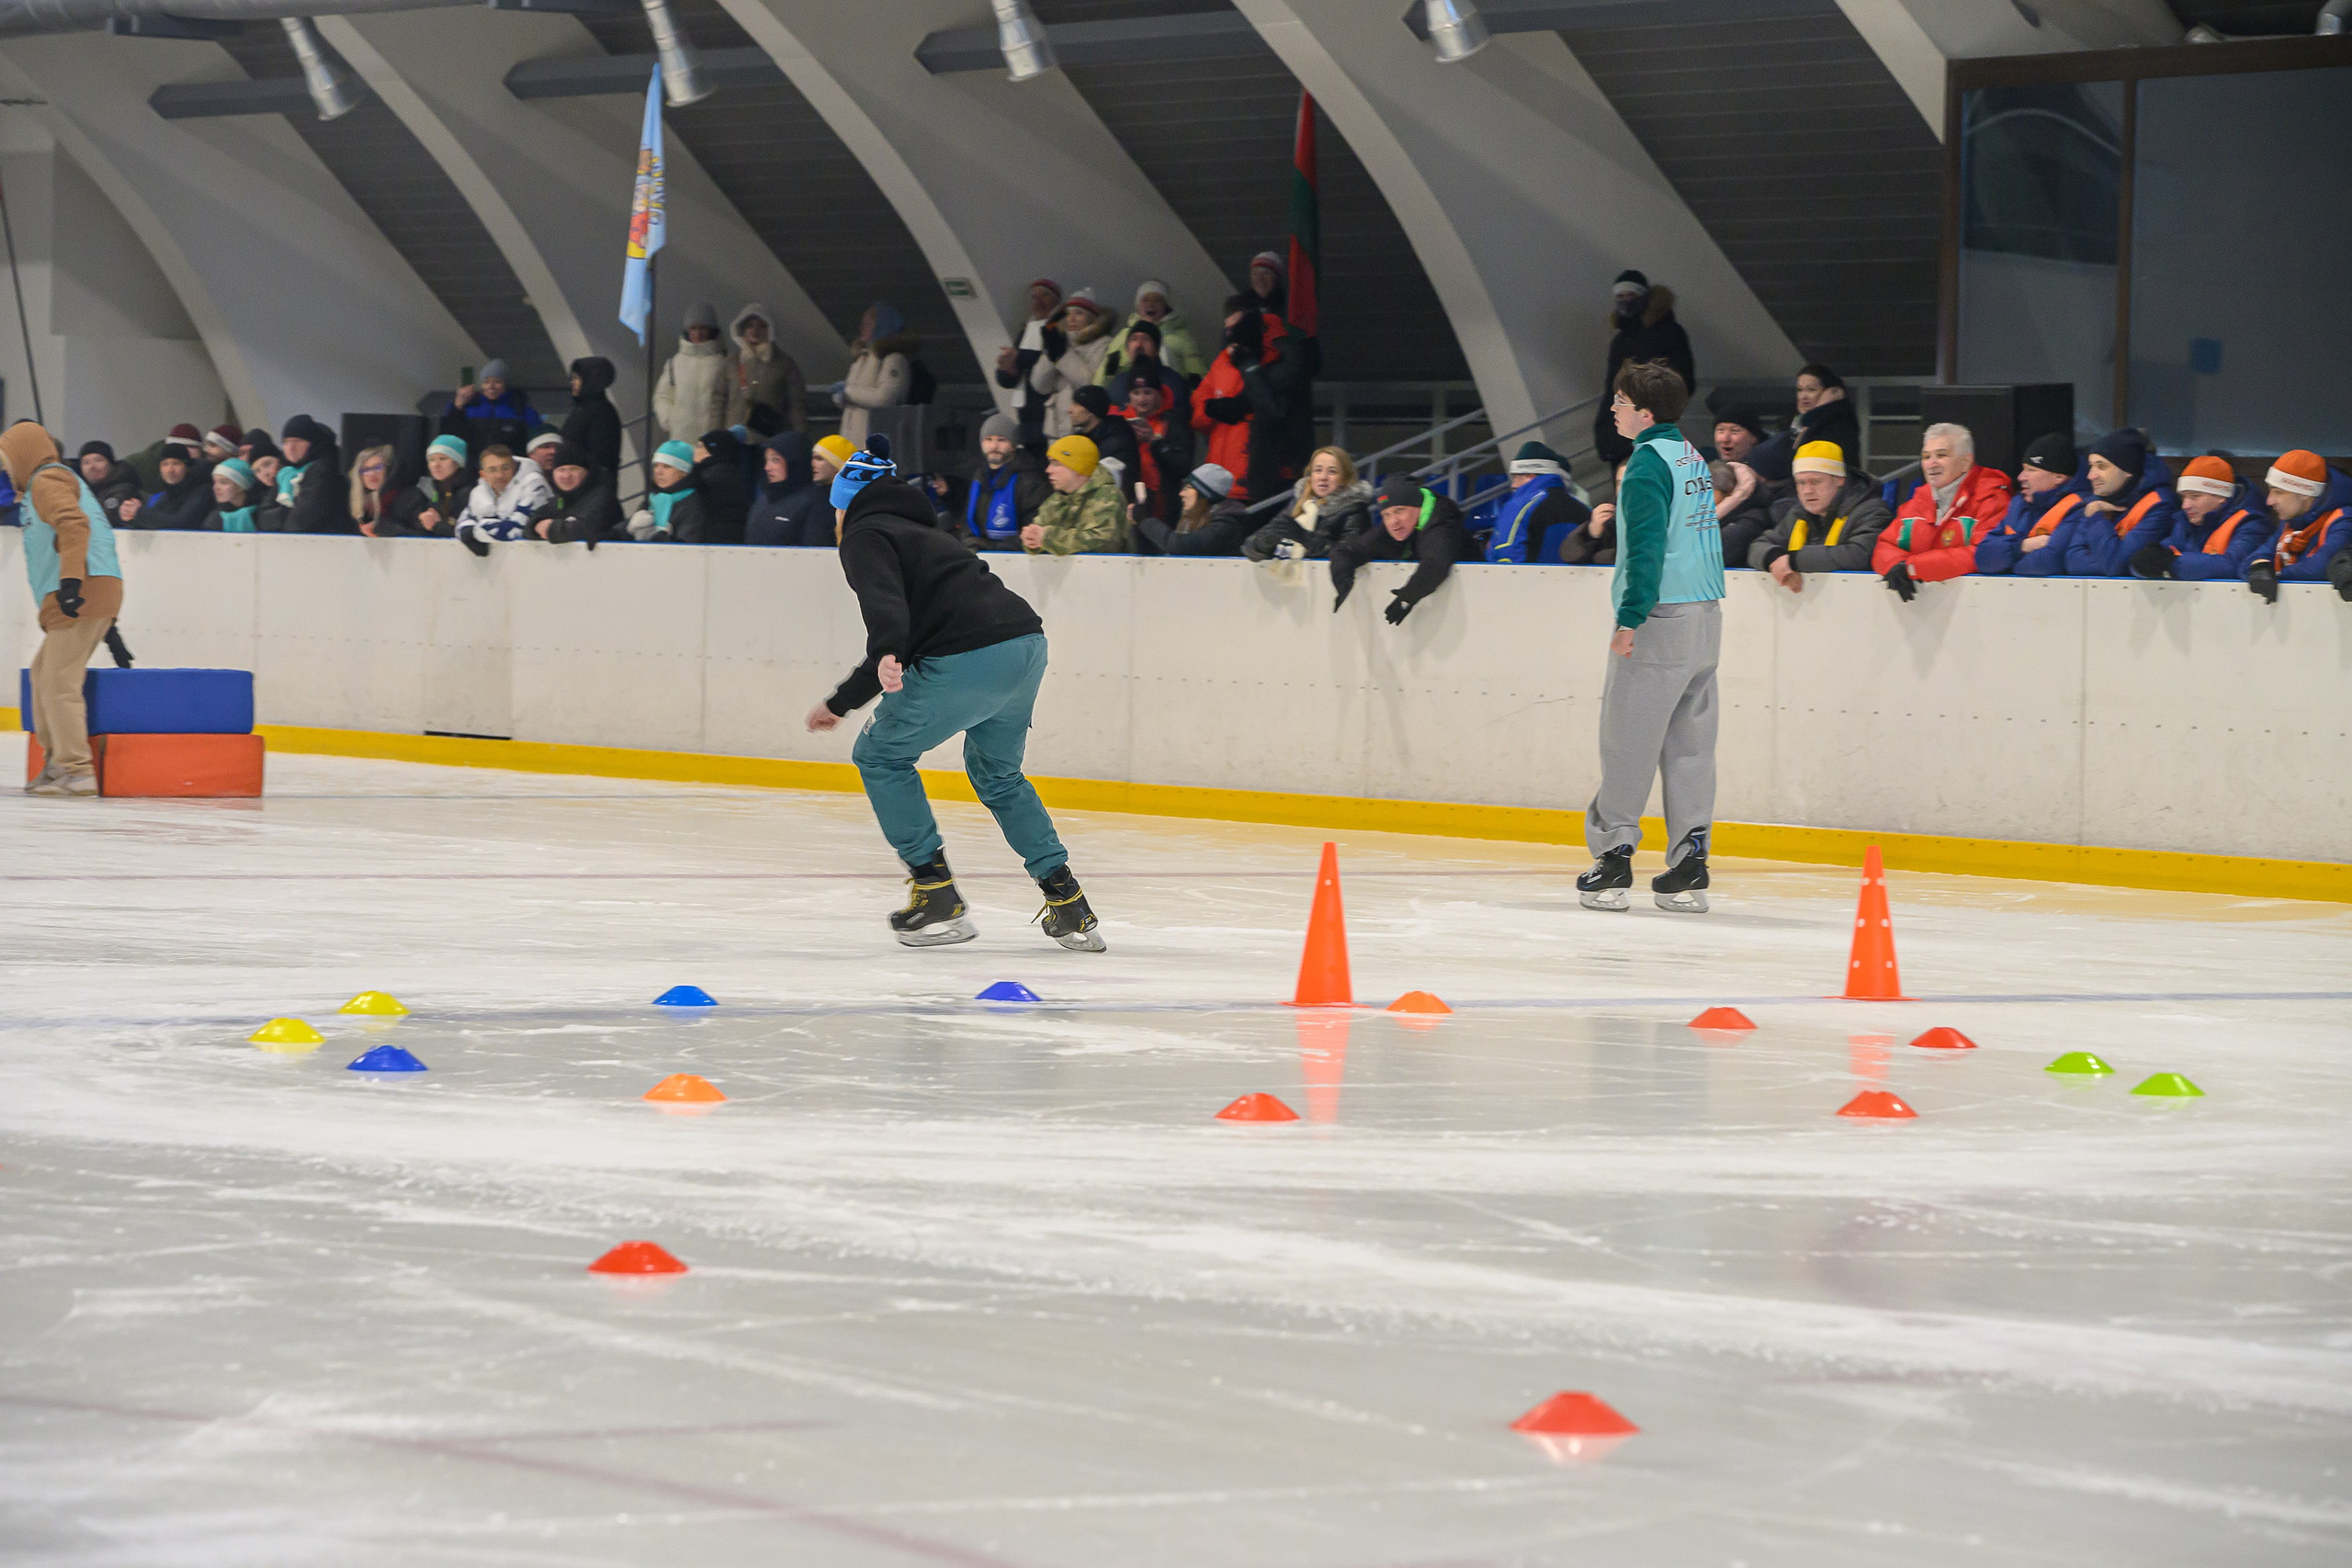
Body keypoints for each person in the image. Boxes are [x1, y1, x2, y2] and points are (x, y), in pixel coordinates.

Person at [804, 437, 1103, 952]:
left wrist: (875, 665)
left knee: (878, 756)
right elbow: (907, 622)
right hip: (1024, 646)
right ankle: (1068, 902)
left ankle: (935, 893)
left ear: (847, 502)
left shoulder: (864, 534)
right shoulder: (928, 534)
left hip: (966, 656)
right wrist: (859, 684)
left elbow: (886, 610)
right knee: (998, 775)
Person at [1576, 360, 1723, 916]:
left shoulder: (1643, 467)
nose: (1612, 409)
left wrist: (1630, 618)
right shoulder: (1691, 458)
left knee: (1628, 740)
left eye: (1619, 401)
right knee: (1690, 747)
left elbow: (1643, 550)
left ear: (1644, 411)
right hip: (1705, 616)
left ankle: (1613, 857)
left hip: (1659, 617)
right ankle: (1690, 863)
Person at [6, 420, 122, 796]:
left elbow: (74, 526)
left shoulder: (47, 480)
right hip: (83, 591)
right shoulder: (43, 484)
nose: (5, 468)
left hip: (79, 589)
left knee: (59, 682)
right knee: (43, 674)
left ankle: (76, 768)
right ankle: (58, 764)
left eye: (7, 459)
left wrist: (72, 583)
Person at [1871, 423, 2015, 600]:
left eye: (1941, 455)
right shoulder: (1919, 500)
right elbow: (1883, 546)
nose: (1931, 464)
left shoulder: (1991, 497)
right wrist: (1894, 565)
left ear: (1966, 462)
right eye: (1926, 456)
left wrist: (1913, 567)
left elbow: (1983, 554)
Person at [1750, 441, 1893, 586]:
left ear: (1839, 480)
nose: (1807, 491)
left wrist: (1793, 560)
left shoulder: (1871, 510)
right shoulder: (1798, 513)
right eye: (1801, 483)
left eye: (1816, 482)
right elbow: (1758, 546)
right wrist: (1773, 557)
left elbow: (1858, 555)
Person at [1329, 474, 1468, 623]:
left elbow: (1436, 563)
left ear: (1418, 507)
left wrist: (1407, 597)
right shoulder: (1395, 528)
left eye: (1400, 510)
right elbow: (1350, 550)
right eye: (1386, 515)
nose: (1393, 521)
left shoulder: (1441, 524)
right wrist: (1342, 577)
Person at [1593, 271, 1695, 467]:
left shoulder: (1669, 334)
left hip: (1649, 427)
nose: (1625, 301)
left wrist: (1655, 414)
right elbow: (1611, 389)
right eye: (1620, 297)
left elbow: (1681, 381)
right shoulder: (1620, 340)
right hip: (1621, 430)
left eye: (1631, 295)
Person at [2125, 455, 2267, 583]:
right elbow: (2156, 557)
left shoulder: (2252, 524)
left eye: (2195, 496)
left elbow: (2233, 566)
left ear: (2221, 497)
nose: (2186, 505)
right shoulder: (2184, 524)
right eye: (2183, 497)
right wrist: (2143, 563)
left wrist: (2170, 564)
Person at [2060, 429, 2179, 577]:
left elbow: (2115, 565)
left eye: (2102, 466)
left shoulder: (2161, 505)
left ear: (2128, 469)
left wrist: (2097, 519)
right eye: (2091, 466)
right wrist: (2116, 559)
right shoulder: (2096, 500)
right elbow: (2073, 562)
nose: (2091, 476)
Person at [2241, 450, 2352, 604]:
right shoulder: (2291, 520)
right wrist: (2259, 567)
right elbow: (2248, 563)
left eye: (2278, 492)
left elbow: (2319, 568)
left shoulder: (2344, 520)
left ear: (2306, 493)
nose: (2269, 501)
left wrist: (2274, 575)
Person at [1974, 434, 2085, 577]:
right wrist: (2023, 546)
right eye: (2023, 469)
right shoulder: (2018, 506)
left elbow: (2046, 563)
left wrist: (2006, 562)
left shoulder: (2078, 508)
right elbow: (1983, 558)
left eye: (2031, 470)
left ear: (2058, 477)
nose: (2021, 477)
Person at [1242, 446, 1373, 561]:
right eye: (1318, 470)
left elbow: (1350, 555)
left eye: (1332, 471)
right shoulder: (1298, 504)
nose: (1323, 477)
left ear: (1345, 478)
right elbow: (1250, 548)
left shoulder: (1355, 511)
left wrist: (1305, 538)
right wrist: (1268, 540)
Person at [1746, 365, 1862, 483]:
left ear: (1827, 393)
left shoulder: (1837, 423)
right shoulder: (1794, 423)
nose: (1803, 396)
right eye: (1800, 390)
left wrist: (1819, 410)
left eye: (1811, 390)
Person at [1485, 441, 1591, 564]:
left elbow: (1506, 553)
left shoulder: (1518, 507)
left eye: (1517, 477)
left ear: (1531, 476)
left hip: (1529, 580)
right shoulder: (1582, 508)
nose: (1513, 485)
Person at [1026, 290, 1114, 439]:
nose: (1072, 318)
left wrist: (1063, 356)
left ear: (1092, 317)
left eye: (1079, 313)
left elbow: (1090, 386)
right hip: (1056, 428)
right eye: (1068, 313)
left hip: (1086, 427)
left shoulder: (1103, 345)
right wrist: (1050, 355)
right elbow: (1040, 386)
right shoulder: (1059, 341)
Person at [1023, 434, 1128, 555]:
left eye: (1056, 463)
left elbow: (1104, 543)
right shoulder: (1056, 500)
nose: (1048, 470)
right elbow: (1039, 533)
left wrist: (1048, 537)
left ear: (1078, 467)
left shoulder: (1108, 495)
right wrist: (1031, 540)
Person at [960, 412, 1049, 552]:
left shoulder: (1030, 480)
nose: (994, 446)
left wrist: (990, 547)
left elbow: (1033, 531)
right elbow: (967, 522)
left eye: (1002, 440)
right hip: (980, 555)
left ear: (1013, 445)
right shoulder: (978, 477)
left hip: (1015, 560)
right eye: (988, 439)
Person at [994, 278, 1064, 452]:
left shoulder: (1063, 329)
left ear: (1056, 300)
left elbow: (1052, 361)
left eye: (1044, 296)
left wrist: (1019, 358)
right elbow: (1010, 379)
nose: (1038, 302)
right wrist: (1006, 369)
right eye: (1034, 297)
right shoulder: (1026, 332)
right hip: (1027, 415)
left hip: (1053, 413)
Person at [1118, 367, 1193, 525]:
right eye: (1136, 393)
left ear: (1159, 394)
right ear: (1129, 397)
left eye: (1147, 392)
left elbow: (1182, 465)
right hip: (1128, 498)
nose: (1142, 399)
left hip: (1164, 503)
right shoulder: (1119, 423)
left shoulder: (1173, 422)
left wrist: (1155, 442)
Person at [836, 301, 918, 446]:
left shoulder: (893, 359)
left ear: (882, 325)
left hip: (873, 441)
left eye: (868, 324)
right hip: (850, 442)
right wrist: (839, 397)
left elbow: (886, 398)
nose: (862, 328)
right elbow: (850, 398)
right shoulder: (861, 358)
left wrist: (848, 393)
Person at [653, 303, 733, 446]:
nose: (698, 333)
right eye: (693, 328)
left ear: (711, 330)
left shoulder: (724, 363)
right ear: (687, 330)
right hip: (680, 440)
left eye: (703, 328)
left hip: (712, 441)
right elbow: (662, 396)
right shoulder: (675, 363)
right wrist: (670, 420)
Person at [454, 444, 552, 555]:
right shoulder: (479, 491)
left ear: (513, 467)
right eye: (492, 470)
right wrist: (477, 531)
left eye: (505, 468)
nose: (500, 475)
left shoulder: (534, 484)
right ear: (483, 474)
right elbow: (461, 525)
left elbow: (515, 530)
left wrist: (474, 532)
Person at [1132, 463, 1248, 557]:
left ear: (1205, 494)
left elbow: (1178, 546)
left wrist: (1144, 521)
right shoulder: (1192, 519)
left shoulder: (1225, 525)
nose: (1181, 493)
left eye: (1189, 488)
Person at [726, 303, 806, 436]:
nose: (755, 331)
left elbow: (796, 403)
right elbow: (719, 400)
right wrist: (715, 435)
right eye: (750, 326)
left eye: (762, 326)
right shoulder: (732, 363)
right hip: (735, 438)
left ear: (770, 329)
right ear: (742, 329)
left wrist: (800, 436)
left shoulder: (784, 363)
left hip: (771, 438)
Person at [747, 432, 831, 547]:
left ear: (795, 462)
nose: (767, 468)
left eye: (775, 460)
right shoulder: (763, 500)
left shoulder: (816, 503)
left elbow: (816, 552)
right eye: (766, 460)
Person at [528, 445, 625, 546]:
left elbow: (587, 529)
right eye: (561, 470)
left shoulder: (602, 497)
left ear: (587, 472)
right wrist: (535, 526)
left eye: (574, 469)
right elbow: (532, 522)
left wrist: (550, 529)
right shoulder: (559, 500)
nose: (566, 476)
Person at [442, 358, 534, 455]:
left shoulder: (520, 409)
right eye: (486, 382)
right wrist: (457, 406)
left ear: (506, 385)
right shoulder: (469, 407)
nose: (491, 386)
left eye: (497, 382)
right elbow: (447, 437)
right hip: (474, 466)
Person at [390, 434, 471, 539]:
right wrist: (423, 520)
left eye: (443, 458)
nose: (436, 464)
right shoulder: (435, 492)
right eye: (432, 459)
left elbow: (468, 535)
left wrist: (437, 526)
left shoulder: (467, 493)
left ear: (458, 462)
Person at [1121, 279, 1206, 378]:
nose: (1151, 304)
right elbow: (1105, 375)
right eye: (1145, 300)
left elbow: (1199, 376)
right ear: (1138, 306)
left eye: (1157, 300)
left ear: (1165, 306)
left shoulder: (1183, 339)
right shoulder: (1123, 336)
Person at [276, 414, 345, 535]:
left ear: (312, 443)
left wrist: (281, 517)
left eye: (297, 441)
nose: (291, 447)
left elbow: (302, 520)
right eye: (286, 442)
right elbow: (263, 518)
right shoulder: (285, 474)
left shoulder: (324, 469)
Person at [559, 356, 623, 478]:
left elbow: (601, 457)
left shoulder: (602, 413)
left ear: (590, 380)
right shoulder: (581, 409)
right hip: (575, 482)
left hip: (591, 485)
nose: (572, 382)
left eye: (577, 378)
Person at [628, 442, 702, 543]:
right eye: (656, 465)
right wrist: (615, 533)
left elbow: (687, 543)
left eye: (667, 466)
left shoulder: (692, 503)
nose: (658, 472)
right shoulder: (651, 499)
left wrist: (663, 539)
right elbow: (627, 527)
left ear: (683, 472)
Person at [1068, 386, 1138, 491]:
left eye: (1077, 405)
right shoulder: (1078, 439)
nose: (1069, 410)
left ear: (1091, 411)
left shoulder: (1117, 441)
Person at [135, 442, 213, 532]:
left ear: (187, 467)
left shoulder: (203, 491)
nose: (170, 470)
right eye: (165, 464)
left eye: (176, 463)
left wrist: (139, 514)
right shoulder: (164, 496)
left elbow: (180, 523)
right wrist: (131, 515)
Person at [346, 446, 408, 537]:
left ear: (388, 470)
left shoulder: (407, 499)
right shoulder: (353, 505)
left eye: (378, 467)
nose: (372, 474)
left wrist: (381, 529)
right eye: (366, 470)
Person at [76, 441, 141, 527]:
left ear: (110, 463)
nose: (92, 467)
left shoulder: (125, 489)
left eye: (98, 460)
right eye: (86, 463)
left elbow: (110, 516)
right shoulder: (77, 490)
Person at [199, 457, 263, 532]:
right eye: (215, 482)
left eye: (223, 482)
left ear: (241, 486)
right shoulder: (215, 519)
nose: (216, 488)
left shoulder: (260, 515)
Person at [1247, 250, 1287, 321]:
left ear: (1277, 278)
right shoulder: (1240, 308)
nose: (1259, 278)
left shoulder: (1289, 308)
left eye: (1266, 273)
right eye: (1255, 273)